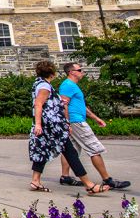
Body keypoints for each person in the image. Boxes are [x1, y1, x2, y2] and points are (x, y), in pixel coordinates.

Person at [29, 60, 108, 195]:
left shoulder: (39, 84)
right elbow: (38, 104)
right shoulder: (45, 87)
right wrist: (38, 124)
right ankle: (89, 185)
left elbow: (46, 103)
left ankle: (35, 181)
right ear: (52, 73)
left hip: (48, 125)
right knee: (71, 153)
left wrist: (59, 102)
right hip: (53, 126)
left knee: (42, 150)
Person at [58, 62, 131, 190]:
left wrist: (96, 118)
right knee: (94, 149)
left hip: (76, 120)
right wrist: (67, 122)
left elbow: (81, 106)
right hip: (76, 122)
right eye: (80, 70)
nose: (82, 72)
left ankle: (65, 177)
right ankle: (107, 180)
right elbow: (63, 105)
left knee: (71, 150)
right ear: (72, 72)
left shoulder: (72, 86)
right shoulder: (67, 85)